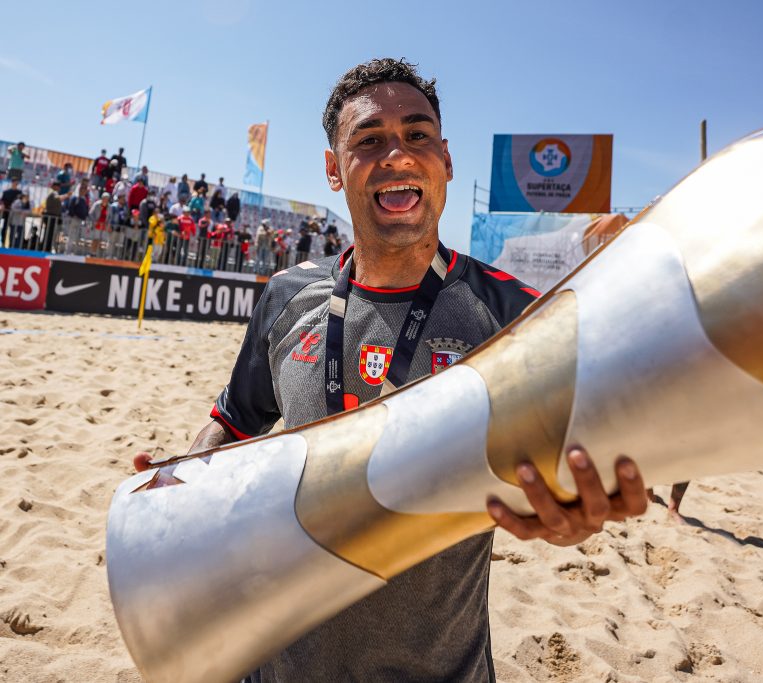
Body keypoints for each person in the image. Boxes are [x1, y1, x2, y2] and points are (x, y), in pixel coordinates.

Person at [131, 57, 648, 682]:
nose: (397, 155)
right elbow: (237, 418)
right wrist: (182, 484)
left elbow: (580, 453)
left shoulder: (512, 314)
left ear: (447, 159)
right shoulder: (288, 295)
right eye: (369, 140)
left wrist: (575, 516)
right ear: (332, 168)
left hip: (439, 668)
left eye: (417, 135)